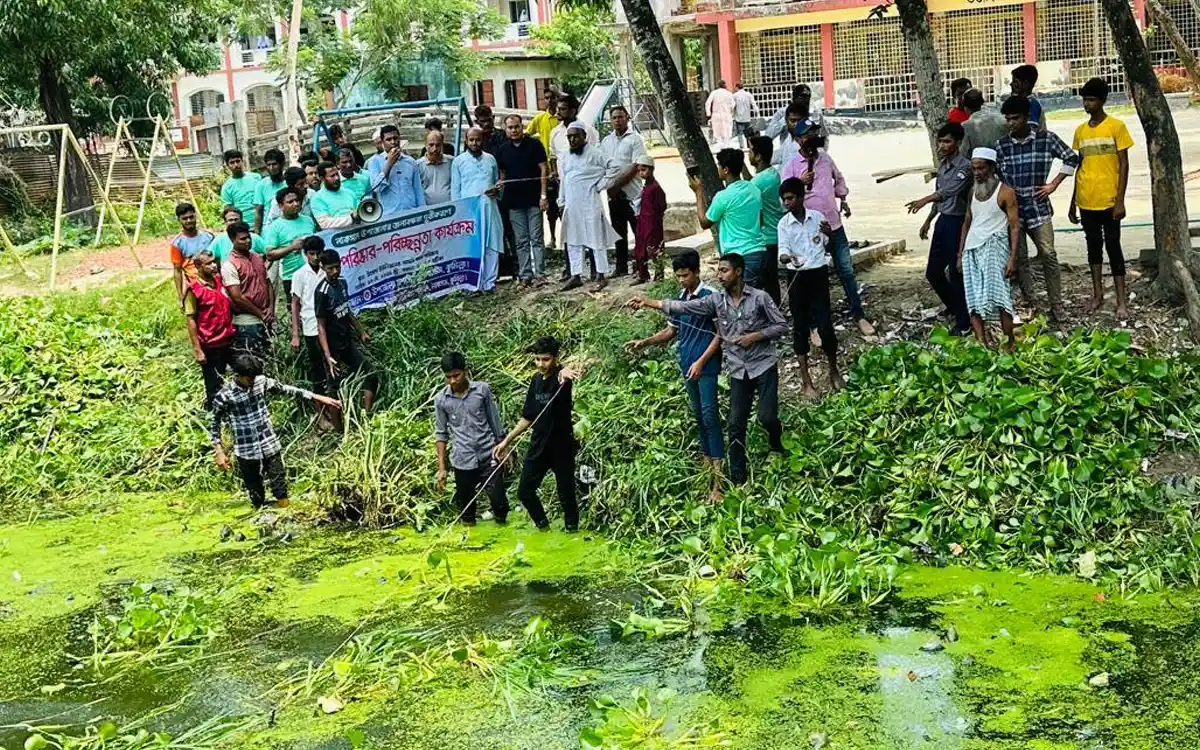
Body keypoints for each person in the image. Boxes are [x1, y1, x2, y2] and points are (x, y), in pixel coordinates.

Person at [630, 253, 788, 486]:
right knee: (735, 425)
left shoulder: (759, 298)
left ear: (739, 272)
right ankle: (737, 481)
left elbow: (781, 325)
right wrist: (649, 303)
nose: (719, 275)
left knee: (766, 416)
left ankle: (776, 444)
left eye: (724, 271)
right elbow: (683, 307)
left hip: (762, 364)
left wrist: (755, 336)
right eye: (718, 271)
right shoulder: (717, 301)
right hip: (737, 369)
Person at [624, 250, 724, 500]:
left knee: (711, 416)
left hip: (706, 367)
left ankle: (719, 481)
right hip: (687, 365)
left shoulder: (710, 296)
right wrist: (645, 342)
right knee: (699, 415)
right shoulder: (680, 298)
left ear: (697, 272)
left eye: (685, 275)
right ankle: (706, 465)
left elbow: (719, 335)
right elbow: (671, 331)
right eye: (678, 276)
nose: (682, 280)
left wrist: (701, 361)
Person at [210, 353, 340, 509]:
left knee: (279, 484)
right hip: (246, 449)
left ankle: (286, 511)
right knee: (255, 490)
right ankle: (260, 514)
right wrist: (219, 451)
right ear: (237, 376)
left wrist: (318, 397)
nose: (252, 382)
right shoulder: (224, 396)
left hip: (268, 442)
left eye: (254, 378)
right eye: (248, 379)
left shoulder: (261, 382)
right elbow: (214, 423)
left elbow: (288, 389)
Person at [783, 121, 876, 336]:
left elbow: (838, 177)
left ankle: (859, 315)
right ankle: (814, 324)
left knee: (846, 270)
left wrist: (843, 198)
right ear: (798, 140)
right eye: (808, 134)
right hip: (809, 230)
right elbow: (785, 198)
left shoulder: (825, 158)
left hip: (833, 225)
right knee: (812, 275)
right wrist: (800, 181)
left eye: (815, 132)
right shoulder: (791, 165)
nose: (814, 136)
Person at [994, 96, 1080, 322]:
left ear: (1026, 118)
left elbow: (1072, 157)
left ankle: (1056, 304)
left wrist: (1054, 183)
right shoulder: (1002, 145)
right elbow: (997, 176)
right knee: (1020, 259)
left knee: (1048, 254)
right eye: (1008, 119)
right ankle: (1032, 302)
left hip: (1039, 207)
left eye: (1015, 118)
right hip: (1014, 213)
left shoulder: (1046, 139)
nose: (1011, 123)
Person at [492, 335, 583, 532]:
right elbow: (528, 417)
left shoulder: (562, 377)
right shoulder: (535, 381)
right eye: (538, 359)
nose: (541, 364)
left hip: (561, 446)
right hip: (538, 445)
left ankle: (572, 530)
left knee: (566, 494)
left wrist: (566, 370)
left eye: (546, 359)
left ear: (556, 358)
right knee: (524, 491)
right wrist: (506, 441)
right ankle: (543, 528)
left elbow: (569, 373)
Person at [1069, 77, 1133, 320]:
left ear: (1102, 100)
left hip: (1109, 200)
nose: (1087, 104)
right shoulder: (1080, 131)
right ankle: (1097, 295)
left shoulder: (1117, 127)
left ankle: (1121, 301)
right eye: (1085, 100)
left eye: (1092, 100)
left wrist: (1120, 200)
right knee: (1092, 248)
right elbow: (1080, 166)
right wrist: (1073, 202)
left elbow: (1124, 165)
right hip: (1087, 200)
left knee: (1114, 247)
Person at [777, 178, 845, 399]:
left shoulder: (817, 218)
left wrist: (830, 234)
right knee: (800, 327)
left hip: (818, 275)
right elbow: (782, 252)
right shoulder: (784, 224)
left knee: (826, 325)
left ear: (801, 197)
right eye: (784, 199)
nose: (787, 203)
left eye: (791, 198)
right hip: (797, 277)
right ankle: (806, 380)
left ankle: (833, 369)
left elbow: (829, 246)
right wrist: (788, 257)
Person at [905, 122, 972, 334]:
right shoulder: (943, 166)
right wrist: (929, 220)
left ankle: (964, 323)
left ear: (958, 142)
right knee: (933, 273)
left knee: (955, 272)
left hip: (958, 222)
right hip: (943, 220)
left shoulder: (965, 167)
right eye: (940, 141)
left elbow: (950, 191)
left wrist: (924, 200)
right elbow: (940, 196)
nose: (942, 145)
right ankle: (955, 308)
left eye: (947, 141)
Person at [434, 352, 508, 526]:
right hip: (462, 459)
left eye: (456, 375)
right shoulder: (441, 400)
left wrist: (504, 447)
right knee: (466, 510)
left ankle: (502, 528)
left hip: (488, 453)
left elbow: (494, 420)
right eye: (448, 377)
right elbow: (441, 433)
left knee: (500, 503)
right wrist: (442, 468)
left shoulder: (482, 390)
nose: (453, 380)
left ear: (465, 372)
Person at [958, 147, 1020, 349]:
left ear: (992, 168)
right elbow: (967, 221)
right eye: (974, 168)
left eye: (981, 168)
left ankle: (1009, 343)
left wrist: (1012, 258)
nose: (977, 172)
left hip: (995, 247)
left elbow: (1015, 226)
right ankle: (982, 343)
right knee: (973, 298)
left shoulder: (1006, 192)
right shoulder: (972, 191)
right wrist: (960, 254)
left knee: (1001, 298)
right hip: (972, 249)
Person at [559, 121, 621, 292]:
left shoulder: (595, 153)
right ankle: (576, 275)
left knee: (596, 239)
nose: (572, 140)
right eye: (569, 137)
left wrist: (600, 185)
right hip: (571, 205)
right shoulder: (566, 156)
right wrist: (561, 201)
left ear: (584, 136)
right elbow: (564, 180)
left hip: (590, 204)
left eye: (575, 136)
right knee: (572, 241)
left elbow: (614, 167)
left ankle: (601, 275)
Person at [692, 148, 766, 286]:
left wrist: (698, 192)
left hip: (738, 256)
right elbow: (761, 221)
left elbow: (704, 222)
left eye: (719, 165)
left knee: (741, 301)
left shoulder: (723, 197)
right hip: (759, 251)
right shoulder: (754, 189)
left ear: (725, 170)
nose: (718, 169)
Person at [316, 249, 378, 411]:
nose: (335, 271)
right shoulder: (321, 292)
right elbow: (320, 326)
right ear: (323, 267)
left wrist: (361, 331)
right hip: (332, 347)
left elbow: (347, 310)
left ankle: (367, 415)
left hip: (347, 342)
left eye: (337, 267)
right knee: (333, 390)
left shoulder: (342, 283)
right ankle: (338, 432)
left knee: (370, 374)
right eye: (330, 268)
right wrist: (328, 356)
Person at [497, 114, 549, 288]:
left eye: (516, 126)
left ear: (522, 126)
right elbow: (502, 176)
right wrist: (499, 192)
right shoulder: (503, 150)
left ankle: (540, 274)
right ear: (506, 130)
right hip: (514, 202)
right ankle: (525, 274)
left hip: (534, 199)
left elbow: (543, 169)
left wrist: (543, 196)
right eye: (510, 127)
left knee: (536, 238)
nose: (514, 130)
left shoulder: (534, 145)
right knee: (521, 240)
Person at [452, 126, 505, 293]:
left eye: (478, 140)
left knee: (492, 244)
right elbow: (456, 190)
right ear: (466, 141)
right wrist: (459, 213)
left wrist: (497, 190)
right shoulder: (459, 161)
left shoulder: (490, 159)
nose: (475, 143)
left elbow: (498, 182)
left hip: (490, 207)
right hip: (469, 211)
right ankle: (475, 284)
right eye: (471, 140)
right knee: (473, 246)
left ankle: (490, 283)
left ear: (482, 140)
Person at [549, 94, 598, 268]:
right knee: (569, 230)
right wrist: (555, 172)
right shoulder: (555, 132)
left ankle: (595, 268)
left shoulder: (588, 130)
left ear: (573, 110)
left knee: (590, 229)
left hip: (586, 190)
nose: (558, 112)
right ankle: (572, 270)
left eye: (563, 109)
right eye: (558, 109)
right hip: (566, 188)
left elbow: (596, 158)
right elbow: (554, 156)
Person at [600, 104, 648, 278]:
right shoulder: (606, 141)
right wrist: (609, 188)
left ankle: (641, 266)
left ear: (627, 118)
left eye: (621, 117)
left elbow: (636, 166)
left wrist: (616, 186)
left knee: (639, 231)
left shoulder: (635, 139)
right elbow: (603, 166)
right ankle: (621, 267)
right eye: (614, 118)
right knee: (618, 232)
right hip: (613, 195)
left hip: (632, 194)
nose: (617, 120)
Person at [184, 249, 235, 410]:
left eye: (214, 262)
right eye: (209, 263)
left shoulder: (219, 280)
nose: (214, 266)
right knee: (214, 383)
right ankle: (215, 415)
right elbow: (190, 319)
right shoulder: (194, 290)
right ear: (198, 266)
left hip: (228, 338)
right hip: (211, 344)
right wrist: (197, 349)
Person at [221, 221, 274, 360]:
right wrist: (260, 314)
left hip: (265, 318)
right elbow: (237, 297)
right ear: (233, 240)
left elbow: (268, 283)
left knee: (268, 359)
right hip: (247, 322)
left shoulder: (257, 257)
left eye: (248, 237)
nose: (248, 241)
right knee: (251, 363)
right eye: (243, 239)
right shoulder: (229, 265)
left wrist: (270, 309)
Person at [290, 236, 328, 401]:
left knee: (331, 363)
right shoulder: (299, 275)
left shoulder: (327, 271)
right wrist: (295, 335)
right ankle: (321, 405)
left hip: (328, 325)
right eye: (311, 253)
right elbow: (295, 304)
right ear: (305, 254)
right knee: (317, 367)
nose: (315, 257)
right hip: (311, 327)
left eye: (318, 253)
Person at [263, 187, 318, 299]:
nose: (296, 204)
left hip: (314, 272)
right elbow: (269, 254)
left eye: (297, 200)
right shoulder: (275, 227)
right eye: (290, 202)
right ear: (280, 206)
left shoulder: (308, 220)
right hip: (292, 276)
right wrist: (291, 247)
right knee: (297, 310)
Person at [749, 136, 785, 306]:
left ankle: (772, 314)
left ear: (758, 156)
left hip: (765, 236)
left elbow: (751, 188)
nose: (748, 154)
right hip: (774, 232)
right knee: (771, 280)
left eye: (750, 151)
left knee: (765, 281)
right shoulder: (772, 174)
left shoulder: (758, 181)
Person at [367, 124, 426, 214]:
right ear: (382, 142)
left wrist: (422, 211)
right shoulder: (374, 162)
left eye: (395, 138)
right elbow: (376, 188)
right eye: (388, 139)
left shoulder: (410, 161)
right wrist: (389, 164)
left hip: (411, 212)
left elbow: (418, 190)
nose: (393, 142)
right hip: (389, 215)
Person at [170, 201, 216, 308]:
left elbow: (216, 260)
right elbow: (177, 270)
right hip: (194, 285)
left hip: (213, 282)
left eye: (191, 217)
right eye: (185, 218)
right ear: (179, 220)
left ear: (195, 216)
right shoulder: (177, 243)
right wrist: (180, 296)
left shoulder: (208, 236)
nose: (189, 220)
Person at [632, 154, 666, 284]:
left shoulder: (656, 188)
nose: (641, 173)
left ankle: (659, 275)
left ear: (651, 170)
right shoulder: (646, 186)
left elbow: (662, 206)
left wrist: (654, 219)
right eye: (639, 170)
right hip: (642, 222)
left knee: (654, 249)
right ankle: (643, 274)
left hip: (653, 223)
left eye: (644, 170)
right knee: (640, 248)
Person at [960, 89, 1008, 158]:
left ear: (965, 107)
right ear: (982, 103)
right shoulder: (1000, 118)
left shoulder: (965, 126)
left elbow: (963, 154)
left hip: (981, 164)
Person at [311, 162, 357, 229]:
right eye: (332, 176)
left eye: (337, 174)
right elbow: (325, 223)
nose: (337, 178)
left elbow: (359, 212)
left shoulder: (349, 192)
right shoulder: (317, 199)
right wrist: (351, 218)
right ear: (322, 179)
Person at [253, 148, 287, 233]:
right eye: (268, 165)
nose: (271, 168)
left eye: (274, 164)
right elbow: (258, 212)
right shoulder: (261, 185)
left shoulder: (289, 182)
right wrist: (257, 234)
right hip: (269, 229)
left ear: (282, 164)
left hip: (287, 226)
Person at [418, 130, 455, 205]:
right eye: (431, 145)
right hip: (427, 211)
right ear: (425, 145)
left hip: (450, 209)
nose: (434, 149)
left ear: (442, 145)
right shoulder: (418, 165)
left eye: (438, 145)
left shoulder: (452, 162)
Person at [220, 149, 258, 217]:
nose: (236, 165)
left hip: (261, 221)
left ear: (242, 161)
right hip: (241, 225)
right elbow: (228, 210)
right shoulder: (226, 187)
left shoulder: (256, 177)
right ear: (227, 165)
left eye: (238, 161)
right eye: (232, 163)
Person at [1010, 65, 1047, 131]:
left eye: (1015, 81)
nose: (1011, 84)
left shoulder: (1031, 105)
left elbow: (1026, 135)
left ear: (1026, 84)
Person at [770, 102, 806, 168]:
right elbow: (779, 155)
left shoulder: (806, 143)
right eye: (793, 120)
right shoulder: (789, 138)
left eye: (799, 121)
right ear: (786, 121)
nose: (796, 124)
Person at [526, 88, 559, 154]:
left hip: (562, 159)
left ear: (557, 99)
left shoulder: (563, 117)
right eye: (547, 98)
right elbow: (526, 134)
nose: (549, 100)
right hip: (546, 159)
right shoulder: (539, 118)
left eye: (552, 98)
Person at [705, 80, 736, 149]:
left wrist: (708, 113)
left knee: (717, 131)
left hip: (716, 115)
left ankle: (720, 144)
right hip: (727, 114)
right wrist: (731, 111)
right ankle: (726, 145)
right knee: (727, 130)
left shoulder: (714, 93)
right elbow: (733, 104)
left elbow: (708, 103)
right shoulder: (728, 93)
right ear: (725, 85)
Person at [733, 83, 760, 149]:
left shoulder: (735, 95)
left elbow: (732, 106)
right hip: (747, 117)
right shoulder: (748, 94)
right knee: (748, 133)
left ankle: (741, 146)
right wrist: (757, 113)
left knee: (739, 133)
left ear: (737, 87)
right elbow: (753, 104)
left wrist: (732, 114)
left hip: (738, 117)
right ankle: (749, 145)